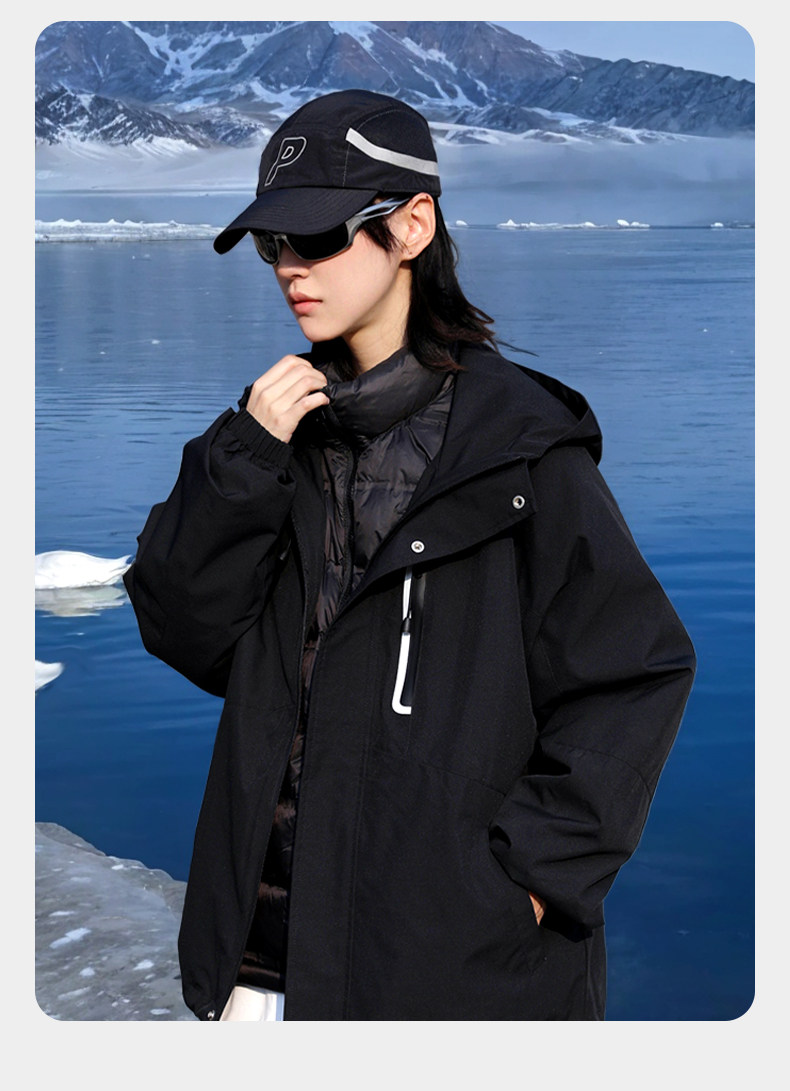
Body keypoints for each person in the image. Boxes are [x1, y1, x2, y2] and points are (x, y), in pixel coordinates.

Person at [123, 88, 696, 1022]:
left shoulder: (520, 450)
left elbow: (637, 669)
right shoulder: (270, 441)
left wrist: (532, 876)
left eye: (318, 236)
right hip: (257, 971)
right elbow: (183, 631)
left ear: (413, 226)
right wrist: (241, 464)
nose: (290, 266)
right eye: (273, 243)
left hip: (447, 974)